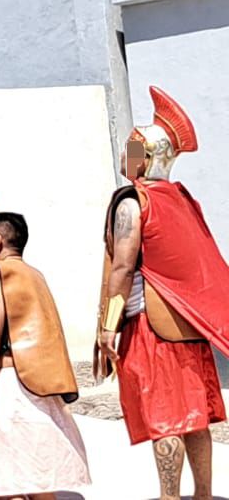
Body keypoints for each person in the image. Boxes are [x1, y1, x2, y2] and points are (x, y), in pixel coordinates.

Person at [95, 87, 229, 500]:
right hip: (188, 325)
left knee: (166, 418)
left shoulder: (132, 202)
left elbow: (122, 267)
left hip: (151, 325)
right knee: (195, 418)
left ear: (148, 156)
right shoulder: (183, 200)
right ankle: (203, 495)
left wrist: (108, 325)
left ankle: (169, 497)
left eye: (133, 149)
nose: (126, 155)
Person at [0, 212, 90, 500]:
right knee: (37, 483)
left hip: (13, 387)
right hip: (39, 384)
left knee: (9, 484)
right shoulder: (35, 274)